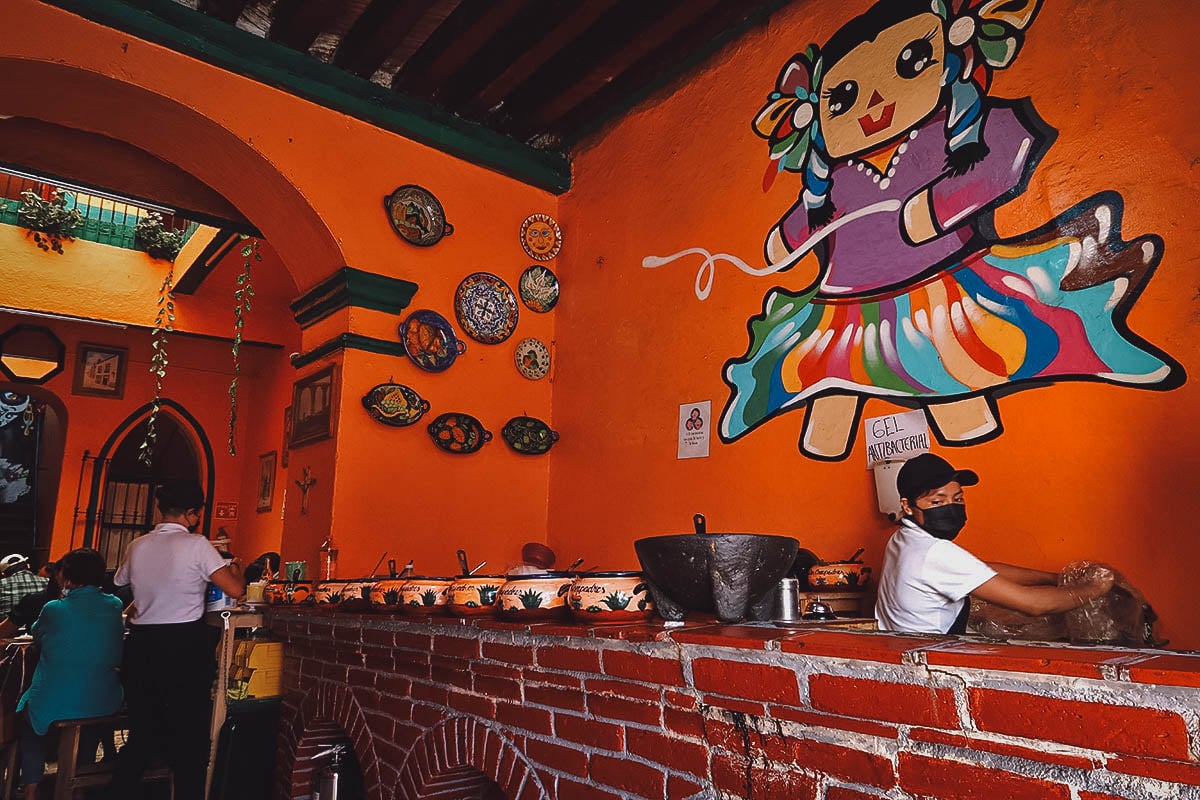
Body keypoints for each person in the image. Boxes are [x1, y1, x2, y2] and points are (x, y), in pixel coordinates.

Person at [875, 453, 1113, 635]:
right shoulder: (934, 552)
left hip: (905, 656)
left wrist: (1052, 578)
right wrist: (1096, 589)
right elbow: (1035, 605)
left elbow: (980, 570)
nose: (951, 507)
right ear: (907, 505)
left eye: (957, 499)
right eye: (937, 501)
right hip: (932, 667)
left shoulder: (902, 539)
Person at [112, 479, 244, 800]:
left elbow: (120, 580)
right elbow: (235, 590)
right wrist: (237, 569)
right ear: (193, 513)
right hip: (184, 646)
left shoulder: (137, 545)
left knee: (141, 732)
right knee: (190, 737)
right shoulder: (198, 545)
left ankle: (123, 793)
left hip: (141, 646)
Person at [15, 548, 123, 797]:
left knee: (30, 722)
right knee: (89, 724)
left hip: (55, 701)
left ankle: (31, 790)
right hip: (104, 699)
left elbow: (37, 633)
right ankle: (78, 784)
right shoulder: (115, 605)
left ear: (68, 577)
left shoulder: (54, 609)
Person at [0, 561, 59, 639]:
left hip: (7, 637)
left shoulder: (2, 584)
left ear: (3, 574)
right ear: (28, 566)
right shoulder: (47, 582)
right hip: (40, 638)